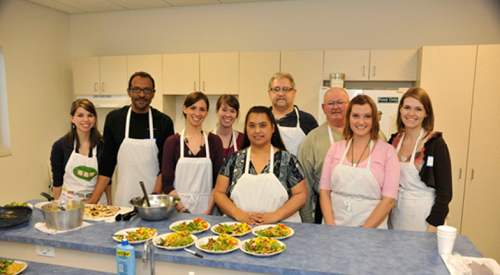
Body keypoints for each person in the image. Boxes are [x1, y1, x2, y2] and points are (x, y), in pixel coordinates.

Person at [84, 72, 174, 207]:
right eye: (137, 89)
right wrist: (93, 200)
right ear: (129, 91)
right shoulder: (115, 119)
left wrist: (154, 198)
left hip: (153, 200)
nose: (142, 94)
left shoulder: (164, 122)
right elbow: (108, 163)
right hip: (123, 199)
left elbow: (165, 167)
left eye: (147, 90)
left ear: (153, 93)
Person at [214, 106, 307, 224]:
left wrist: (276, 215)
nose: (257, 131)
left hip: (281, 230)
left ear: (273, 128)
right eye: (252, 126)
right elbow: (219, 193)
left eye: (263, 125)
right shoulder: (233, 160)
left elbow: (300, 194)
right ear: (246, 129)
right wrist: (237, 213)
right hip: (240, 229)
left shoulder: (287, 160)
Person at [319, 95, 400, 228]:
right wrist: (331, 227)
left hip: (371, 230)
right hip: (334, 228)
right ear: (348, 118)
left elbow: (389, 200)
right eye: (355, 116)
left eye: (367, 116)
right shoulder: (335, 149)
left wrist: (363, 232)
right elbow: (324, 191)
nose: (361, 122)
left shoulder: (387, 152)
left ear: (374, 119)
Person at [388, 88, 452, 232]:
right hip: (397, 218)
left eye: (418, 109)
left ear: (426, 113)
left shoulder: (435, 144)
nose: (411, 113)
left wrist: (433, 226)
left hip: (426, 221)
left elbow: (445, 193)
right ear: (400, 110)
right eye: (407, 108)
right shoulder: (393, 142)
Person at [162, 91, 223, 215]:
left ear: (206, 113)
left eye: (202, 109)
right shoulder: (172, 142)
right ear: (184, 109)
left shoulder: (214, 141)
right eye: (193, 108)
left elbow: (218, 183)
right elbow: (167, 184)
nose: (197, 113)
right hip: (178, 211)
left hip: (208, 210)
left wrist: (208, 212)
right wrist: (182, 209)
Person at [297, 87, 349, 223]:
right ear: (323, 108)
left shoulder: (368, 135)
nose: (336, 107)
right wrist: (308, 222)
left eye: (341, 102)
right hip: (326, 207)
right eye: (330, 103)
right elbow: (305, 184)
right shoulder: (312, 139)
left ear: (349, 105)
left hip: (365, 209)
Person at [50, 99, 112, 203]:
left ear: (95, 118)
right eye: (80, 115)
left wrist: (110, 203)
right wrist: (56, 205)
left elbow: (107, 180)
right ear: (72, 118)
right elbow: (57, 180)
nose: (86, 119)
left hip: (97, 206)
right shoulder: (60, 146)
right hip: (69, 204)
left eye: (90, 115)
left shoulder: (103, 146)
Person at [268, 72, 318, 156]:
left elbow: (316, 152)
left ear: (294, 93)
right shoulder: (262, 118)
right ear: (269, 93)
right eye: (276, 89)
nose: (281, 93)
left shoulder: (307, 120)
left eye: (286, 89)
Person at [211, 95, 244, 160]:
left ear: (236, 114)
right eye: (224, 110)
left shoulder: (243, 139)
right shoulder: (207, 139)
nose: (228, 115)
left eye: (232, 111)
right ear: (216, 111)